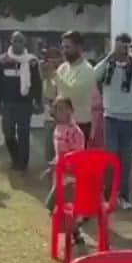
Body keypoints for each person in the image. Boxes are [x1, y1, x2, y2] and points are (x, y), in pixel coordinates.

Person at [93, 33, 132, 209]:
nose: (123, 50)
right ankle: (108, 195)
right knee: (110, 156)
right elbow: (94, 75)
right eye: (119, 45)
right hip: (110, 117)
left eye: (126, 46)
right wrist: (108, 56)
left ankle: (124, 197)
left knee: (126, 159)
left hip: (128, 119)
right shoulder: (108, 65)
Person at [0, 31, 42, 172]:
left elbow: (36, 82)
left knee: (23, 134)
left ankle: (22, 164)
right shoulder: (3, 60)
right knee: (8, 133)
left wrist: (37, 100)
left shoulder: (32, 61)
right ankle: (15, 158)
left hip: (24, 104)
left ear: (24, 43)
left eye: (20, 41)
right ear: (11, 42)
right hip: (7, 103)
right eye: (15, 41)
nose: (17, 43)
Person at [44, 96, 88, 246]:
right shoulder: (57, 129)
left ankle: (76, 227)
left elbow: (77, 159)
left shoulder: (75, 132)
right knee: (57, 209)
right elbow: (59, 154)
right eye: (56, 108)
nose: (58, 112)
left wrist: (62, 166)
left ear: (70, 110)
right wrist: (54, 164)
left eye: (62, 108)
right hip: (60, 175)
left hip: (71, 178)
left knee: (51, 205)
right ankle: (76, 232)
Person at [44, 31, 97, 144]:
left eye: (68, 47)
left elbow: (72, 94)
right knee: (60, 159)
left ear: (79, 48)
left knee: (77, 161)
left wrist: (54, 75)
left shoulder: (87, 70)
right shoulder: (63, 68)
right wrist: (47, 78)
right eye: (63, 47)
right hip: (61, 124)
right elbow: (51, 94)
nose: (64, 51)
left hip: (80, 124)